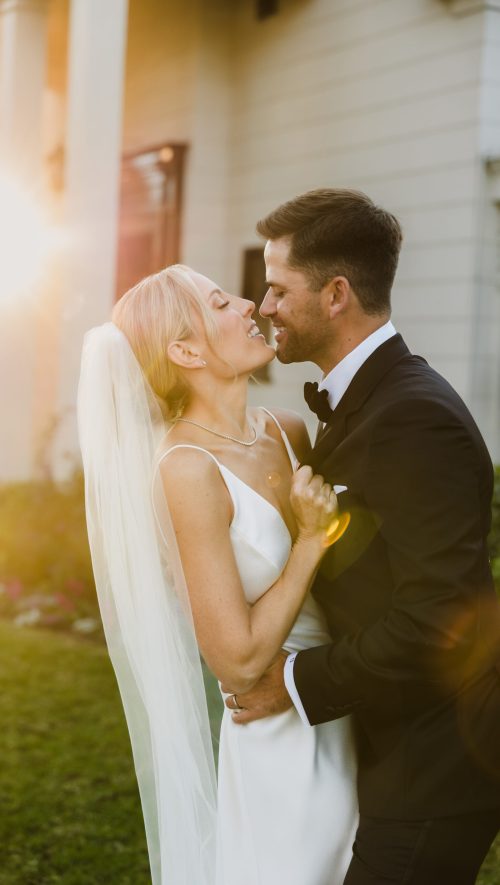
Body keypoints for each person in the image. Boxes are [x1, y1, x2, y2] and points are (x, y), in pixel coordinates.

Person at [224, 188, 500, 885]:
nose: (264, 306)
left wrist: (291, 679)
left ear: (336, 293)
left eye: (279, 288)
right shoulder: (361, 403)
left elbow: (437, 616)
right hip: (385, 747)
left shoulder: (414, 418)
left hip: (439, 762)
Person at [78, 264, 359, 885]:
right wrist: (311, 540)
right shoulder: (185, 469)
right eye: (220, 301)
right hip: (280, 736)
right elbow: (235, 663)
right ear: (184, 349)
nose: (250, 305)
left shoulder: (287, 429)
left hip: (349, 699)